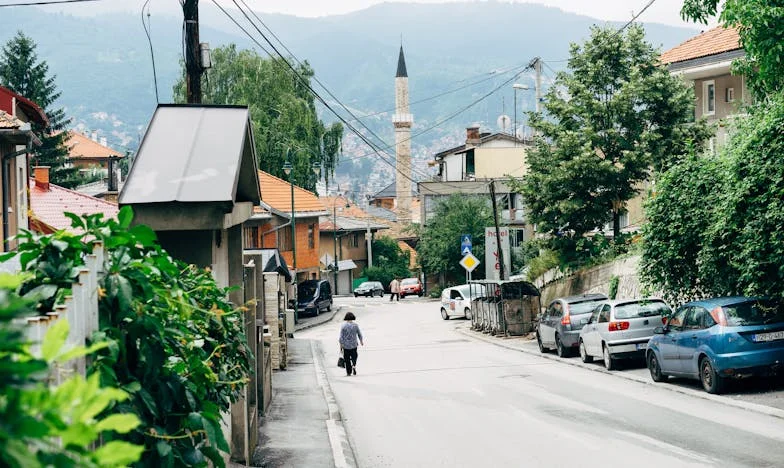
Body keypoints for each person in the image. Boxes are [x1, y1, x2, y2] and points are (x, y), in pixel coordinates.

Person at [339, 312, 364, 376]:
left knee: (347, 359)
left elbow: (341, 337)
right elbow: (359, 334)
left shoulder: (343, 326)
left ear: (346, 318)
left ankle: (349, 372)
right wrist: (361, 341)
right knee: (354, 356)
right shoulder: (355, 325)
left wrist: (341, 345)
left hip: (346, 346)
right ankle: (354, 365)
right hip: (354, 345)